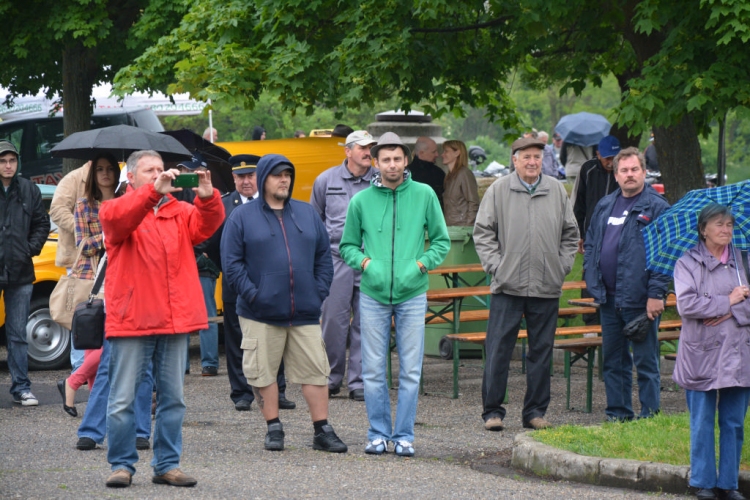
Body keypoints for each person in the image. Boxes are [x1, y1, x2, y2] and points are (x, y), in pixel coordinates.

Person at [100, 150, 224, 488]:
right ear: (132, 177)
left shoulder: (180, 211)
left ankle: (167, 465)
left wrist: (208, 197)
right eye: (150, 170)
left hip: (174, 319)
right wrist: (154, 192)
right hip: (134, 319)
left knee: (174, 399)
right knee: (123, 398)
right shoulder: (115, 208)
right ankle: (122, 465)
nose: (160, 173)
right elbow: (120, 221)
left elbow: (206, 228)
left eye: (161, 169)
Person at [222, 154, 346, 454]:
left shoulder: (306, 214)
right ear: (264, 178)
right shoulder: (242, 216)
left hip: (304, 311)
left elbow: (323, 258)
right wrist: (254, 295)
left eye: (288, 174)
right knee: (263, 372)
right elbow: (231, 263)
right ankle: (273, 426)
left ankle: (322, 429)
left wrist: (317, 293)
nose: (284, 180)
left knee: (316, 371)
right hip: (259, 312)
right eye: (277, 175)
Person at [340, 132, 449, 457]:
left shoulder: (424, 194)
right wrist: (366, 263)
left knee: (411, 369)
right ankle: (377, 433)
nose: (392, 165)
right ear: (375, 162)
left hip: (412, 292)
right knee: (373, 369)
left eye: (397, 159)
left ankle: (404, 435)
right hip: (372, 293)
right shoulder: (361, 201)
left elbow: (441, 241)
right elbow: (346, 246)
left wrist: (420, 264)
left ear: (406, 161)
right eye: (385, 159)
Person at [474, 136, 579, 432]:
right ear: (514, 160)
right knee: (498, 351)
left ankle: (534, 412)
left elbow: (570, 235)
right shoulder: (499, 189)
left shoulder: (556, 190)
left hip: (546, 285)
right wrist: (497, 268)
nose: (532, 162)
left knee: (541, 352)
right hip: (508, 287)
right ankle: (492, 411)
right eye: (526, 157)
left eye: (537, 157)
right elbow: (483, 233)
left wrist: (560, 267)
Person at [583, 147, 670, 422]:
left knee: (645, 362)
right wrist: (591, 279)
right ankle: (618, 414)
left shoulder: (657, 207)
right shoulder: (604, 205)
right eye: (624, 170)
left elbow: (665, 255)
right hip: (609, 299)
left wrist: (656, 294)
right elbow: (593, 244)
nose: (629, 175)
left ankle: (649, 416)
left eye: (634, 170)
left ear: (644, 172)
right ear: (616, 174)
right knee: (614, 362)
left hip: (641, 300)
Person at [673, 204, 750, 500]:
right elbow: (687, 305)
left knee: (733, 422)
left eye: (730, 224)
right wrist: (727, 299)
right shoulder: (688, 263)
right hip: (700, 355)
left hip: (738, 354)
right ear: (703, 229)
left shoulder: (742, 261)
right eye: (719, 224)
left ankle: (728, 484)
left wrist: (727, 310)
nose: (726, 230)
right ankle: (703, 482)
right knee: (702, 420)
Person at [215, 154, 294, 411]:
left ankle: (277, 390)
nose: (245, 181)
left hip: (271, 283)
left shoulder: (277, 204)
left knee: (276, 338)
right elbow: (211, 244)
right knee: (237, 340)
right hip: (234, 284)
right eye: (240, 177)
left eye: (250, 175)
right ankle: (241, 392)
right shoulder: (224, 205)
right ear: (233, 179)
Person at [310, 130, 377, 401]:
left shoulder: (380, 180)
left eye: (371, 147)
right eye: (362, 148)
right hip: (336, 259)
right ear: (348, 151)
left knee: (366, 322)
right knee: (334, 323)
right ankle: (331, 377)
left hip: (370, 260)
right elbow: (315, 221)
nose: (368, 152)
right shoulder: (326, 180)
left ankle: (358, 382)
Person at [57, 153, 119, 417]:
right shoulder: (85, 205)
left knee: (109, 344)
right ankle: (73, 382)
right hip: (94, 279)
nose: (105, 174)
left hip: (124, 277)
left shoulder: (126, 201)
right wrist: (106, 236)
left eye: (109, 169)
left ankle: (94, 403)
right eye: (100, 170)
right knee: (100, 344)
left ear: (117, 173)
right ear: (93, 176)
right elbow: (84, 245)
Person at [0, 140, 50, 406]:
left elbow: (42, 223)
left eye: (12, 160)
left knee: (18, 332)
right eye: (3, 161)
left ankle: (21, 387)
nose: (8, 165)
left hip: (20, 270)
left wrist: (29, 249)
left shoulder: (29, 189)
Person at [172, 154, 222, 377]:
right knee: (181, 316)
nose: (185, 174)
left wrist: (196, 253)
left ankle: (209, 363)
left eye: (189, 170)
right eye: (182, 169)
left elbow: (212, 229)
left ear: (201, 171)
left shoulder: (210, 193)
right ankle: (181, 364)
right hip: (181, 262)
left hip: (203, 263)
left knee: (207, 314)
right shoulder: (173, 194)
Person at [573, 135, 621, 327]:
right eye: (607, 158)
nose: (611, 163)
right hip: (592, 234)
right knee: (591, 274)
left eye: (614, 158)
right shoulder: (588, 170)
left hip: (616, 233)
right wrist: (579, 234)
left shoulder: (622, 171)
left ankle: (614, 319)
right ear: (598, 154)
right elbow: (578, 204)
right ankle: (590, 322)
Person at [50, 160, 91, 371]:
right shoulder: (73, 179)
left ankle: (96, 366)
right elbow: (56, 209)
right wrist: (81, 230)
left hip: (105, 255)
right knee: (81, 314)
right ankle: (80, 367)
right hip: (78, 258)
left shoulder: (113, 177)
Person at [441, 139, 479, 226]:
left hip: (461, 229)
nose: (442, 155)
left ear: (457, 153)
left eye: (446, 151)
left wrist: (467, 228)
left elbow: (473, 202)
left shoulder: (464, 174)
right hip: (451, 228)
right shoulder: (449, 177)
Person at [408, 136, 445, 208]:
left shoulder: (406, 172)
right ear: (421, 153)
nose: (437, 155)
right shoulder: (438, 173)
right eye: (433, 152)